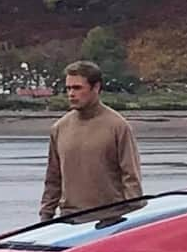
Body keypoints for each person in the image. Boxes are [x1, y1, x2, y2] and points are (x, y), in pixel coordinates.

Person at [39, 60, 143, 220]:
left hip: (110, 220)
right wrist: (46, 217)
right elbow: (53, 179)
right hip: (70, 219)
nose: (71, 94)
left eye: (77, 88)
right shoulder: (60, 128)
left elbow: (131, 178)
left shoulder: (118, 126)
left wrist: (135, 219)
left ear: (96, 87)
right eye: (68, 88)